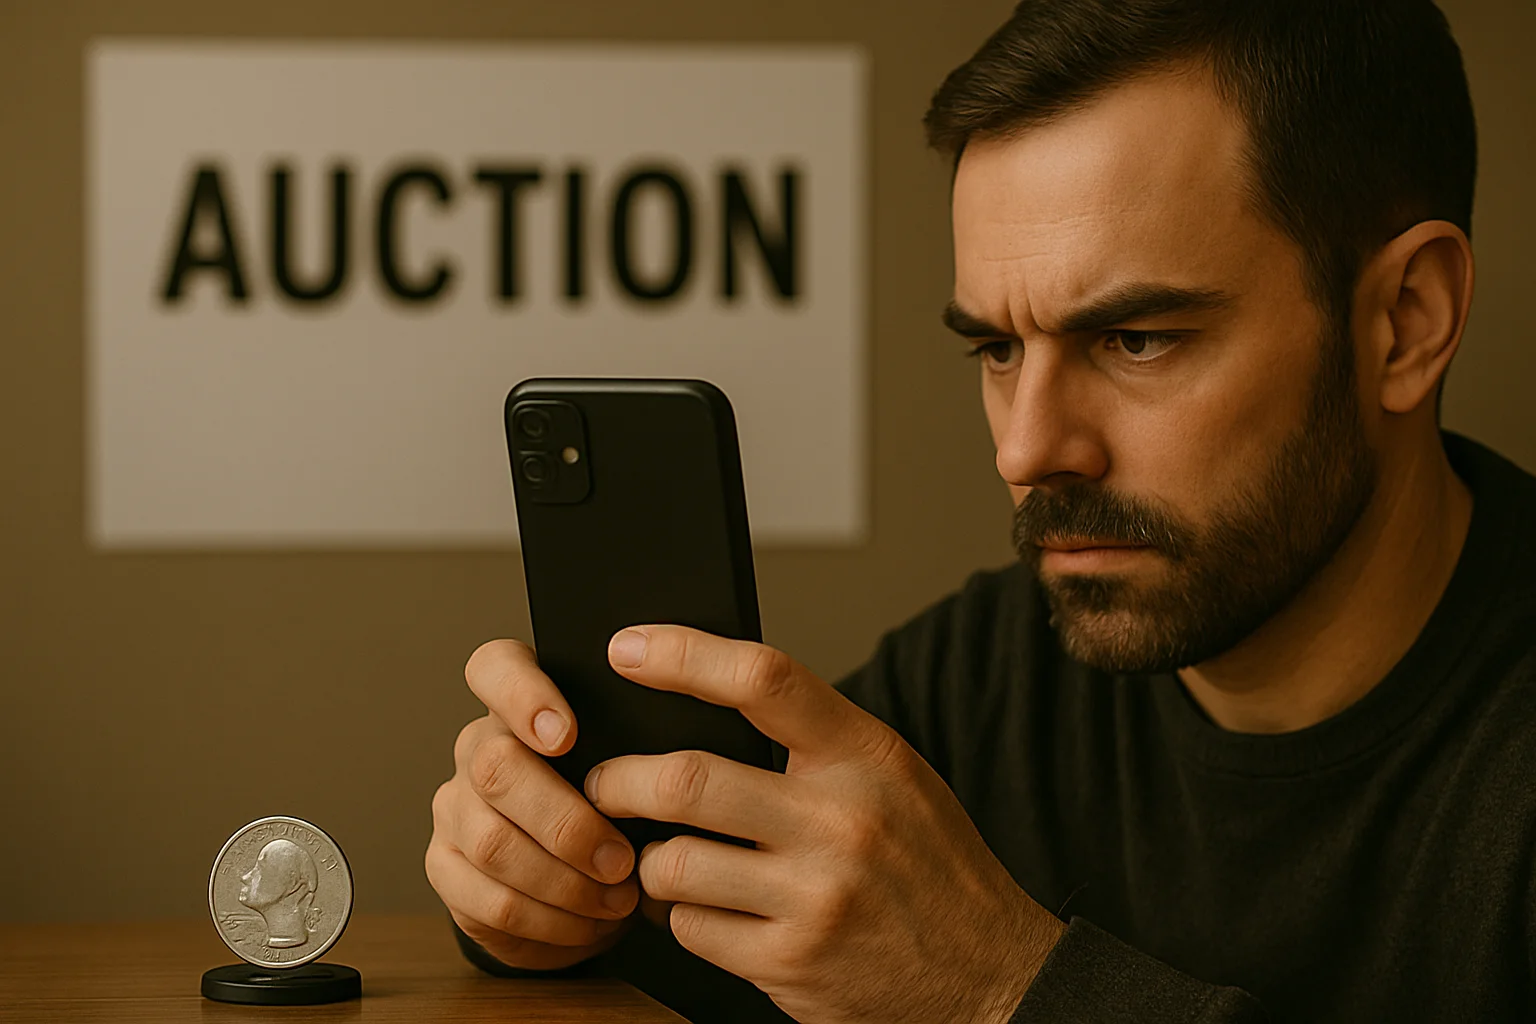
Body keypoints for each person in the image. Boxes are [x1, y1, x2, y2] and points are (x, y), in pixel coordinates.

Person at [425, 1, 1536, 1020]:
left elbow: (970, 980)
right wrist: (555, 896)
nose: (1026, 450)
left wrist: (1001, 985)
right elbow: (720, 966)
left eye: (1136, 339)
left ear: (1406, 319)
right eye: (999, 349)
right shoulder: (985, 677)